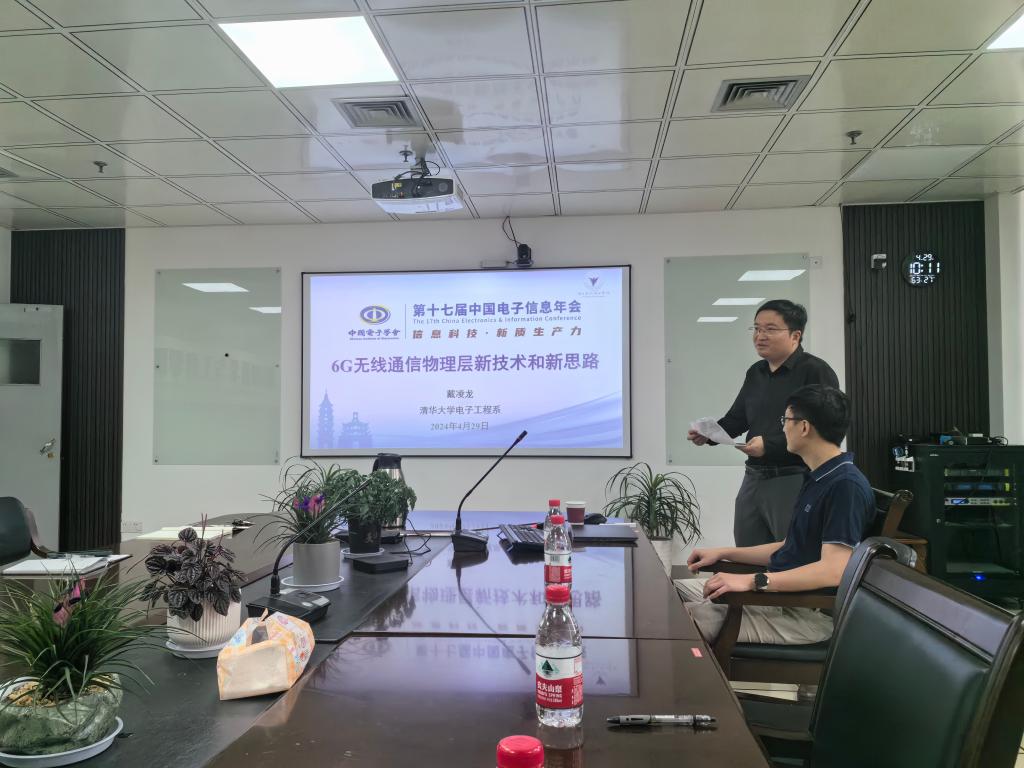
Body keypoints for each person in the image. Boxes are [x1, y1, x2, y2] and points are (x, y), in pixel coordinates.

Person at [676, 385, 874, 646]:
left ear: (804, 427)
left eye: (786, 420)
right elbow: (791, 546)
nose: (783, 428)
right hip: (781, 598)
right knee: (671, 592)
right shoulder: (819, 476)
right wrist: (724, 553)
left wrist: (753, 581)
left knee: (678, 621)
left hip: (805, 615)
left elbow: (833, 571)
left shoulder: (844, 486)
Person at [688, 300, 838, 547]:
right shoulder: (756, 372)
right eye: (756, 328)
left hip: (794, 477)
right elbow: (738, 418)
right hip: (754, 477)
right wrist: (710, 435)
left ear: (795, 335)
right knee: (747, 551)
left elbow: (824, 429)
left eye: (770, 329)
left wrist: (770, 445)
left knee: (790, 554)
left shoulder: (815, 371)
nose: (760, 336)